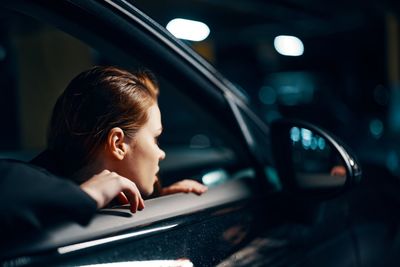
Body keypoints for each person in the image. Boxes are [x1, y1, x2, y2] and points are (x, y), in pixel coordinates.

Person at [32, 65, 207, 213]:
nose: (161, 154)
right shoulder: (24, 195)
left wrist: (158, 205)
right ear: (118, 144)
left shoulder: (40, 201)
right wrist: (86, 197)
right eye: (155, 138)